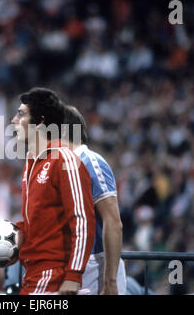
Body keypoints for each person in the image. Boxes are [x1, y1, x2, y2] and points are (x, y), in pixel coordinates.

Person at [0, 87, 95, 295]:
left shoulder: (64, 159)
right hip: (33, 274)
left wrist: (73, 275)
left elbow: (82, 220)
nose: (13, 121)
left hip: (54, 277)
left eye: (20, 114)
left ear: (39, 122)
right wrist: (1, 252)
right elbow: (35, 229)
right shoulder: (31, 163)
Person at [62, 105, 126, 295]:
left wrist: (110, 281)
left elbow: (113, 222)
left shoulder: (91, 162)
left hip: (94, 268)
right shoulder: (60, 168)